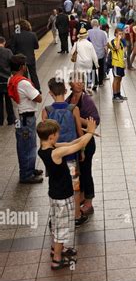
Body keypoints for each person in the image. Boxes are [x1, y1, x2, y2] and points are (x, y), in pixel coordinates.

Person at [37, 117, 96, 270]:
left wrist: (88, 134)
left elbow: (73, 143)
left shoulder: (45, 148)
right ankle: (57, 259)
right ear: (51, 137)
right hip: (62, 196)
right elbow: (80, 145)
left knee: (57, 223)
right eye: (57, 134)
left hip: (54, 194)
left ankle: (57, 249)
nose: (58, 136)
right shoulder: (55, 153)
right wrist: (90, 131)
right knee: (62, 227)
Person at [42, 78, 88, 227]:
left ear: (50, 93)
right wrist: (81, 151)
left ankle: (54, 217)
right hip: (71, 156)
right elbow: (80, 131)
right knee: (75, 186)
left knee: (54, 185)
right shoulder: (73, 109)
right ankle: (76, 215)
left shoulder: (46, 111)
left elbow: (43, 136)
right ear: (65, 91)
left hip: (54, 157)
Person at [66, 76, 100, 217]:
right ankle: (81, 196)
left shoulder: (86, 100)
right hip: (73, 142)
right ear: (70, 84)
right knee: (76, 173)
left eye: (81, 80)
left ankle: (89, 202)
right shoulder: (68, 100)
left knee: (86, 171)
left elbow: (95, 122)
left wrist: (76, 116)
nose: (79, 83)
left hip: (86, 142)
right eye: (76, 80)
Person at [8, 54, 43, 184]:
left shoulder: (12, 79)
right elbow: (38, 98)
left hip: (20, 117)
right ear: (22, 67)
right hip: (26, 118)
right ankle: (26, 175)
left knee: (24, 145)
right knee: (28, 147)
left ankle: (29, 169)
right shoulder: (22, 82)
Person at [10, 20, 40, 92]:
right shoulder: (33, 34)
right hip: (31, 58)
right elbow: (36, 46)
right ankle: (37, 89)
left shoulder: (15, 35)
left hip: (20, 60)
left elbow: (12, 49)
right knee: (33, 74)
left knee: (23, 76)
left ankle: (26, 90)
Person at [71, 28, 99, 93]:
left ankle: (82, 89)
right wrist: (96, 64)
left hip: (79, 63)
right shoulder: (89, 44)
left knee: (80, 77)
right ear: (86, 36)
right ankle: (89, 89)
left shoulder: (77, 43)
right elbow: (94, 55)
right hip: (88, 63)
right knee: (89, 75)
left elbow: (71, 53)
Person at [88, 19, 108, 90]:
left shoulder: (88, 32)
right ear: (98, 24)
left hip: (91, 55)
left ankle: (95, 82)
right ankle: (100, 83)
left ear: (91, 24)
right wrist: (106, 53)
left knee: (92, 69)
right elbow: (105, 45)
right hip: (101, 54)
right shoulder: (103, 33)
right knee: (101, 68)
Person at [108, 28, 128, 102]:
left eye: (121, 34)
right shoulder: (113, 42)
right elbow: (116, 48)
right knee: (116, 79)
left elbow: (122, 53)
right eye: (119, 34)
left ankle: (119, 94)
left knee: (120, 79)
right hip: (116, 64)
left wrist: (124, 63)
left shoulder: (121, 42)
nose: (121, 35)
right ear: (115, 34)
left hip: (121, 63)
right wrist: (119, 39)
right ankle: (114, 96)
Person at [0, 36, 15, 126]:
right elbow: (13, 64)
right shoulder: (8, 51)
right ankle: (11, 119)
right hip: (7, 80)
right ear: (4, 42)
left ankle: (0, 120)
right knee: (9, 100)